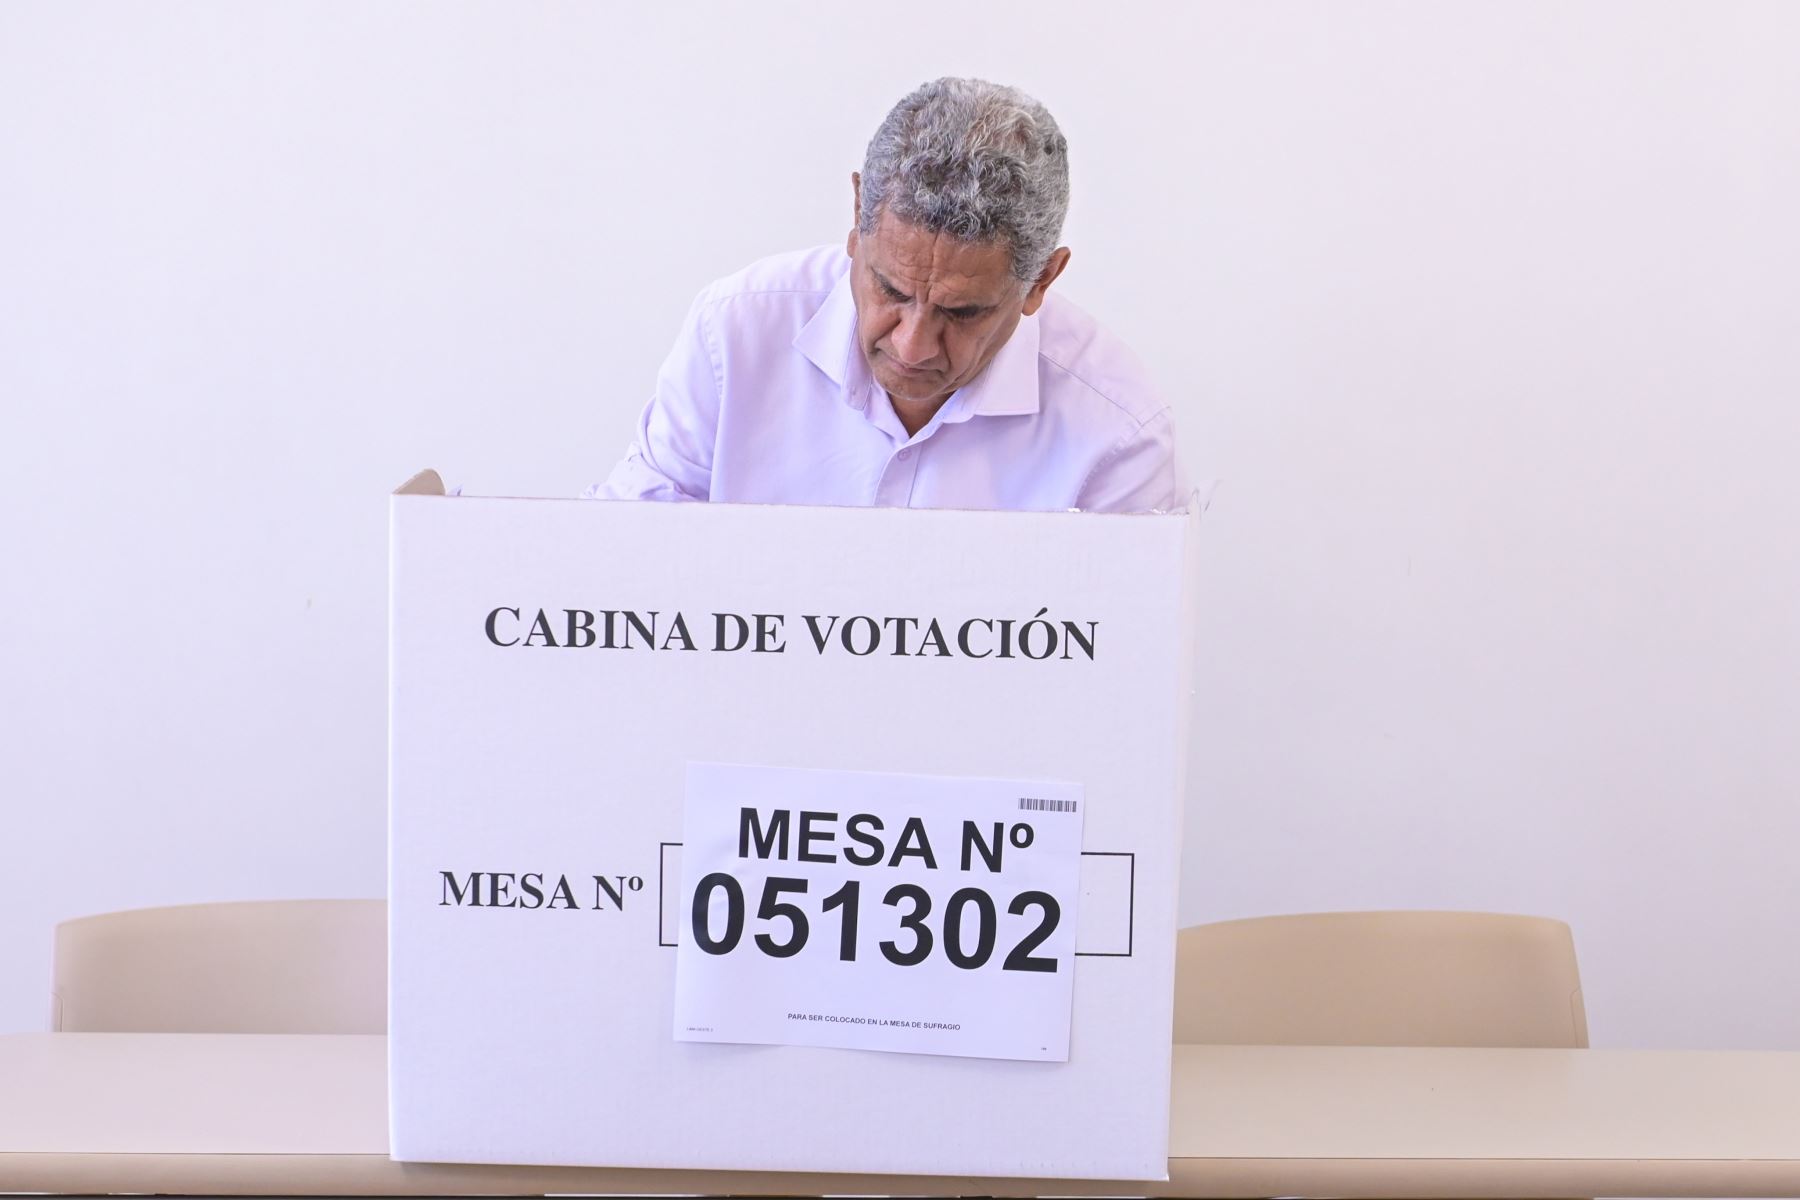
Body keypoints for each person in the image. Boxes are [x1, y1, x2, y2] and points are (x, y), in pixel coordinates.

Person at [585, 77, 1185, 513]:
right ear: (856, 217)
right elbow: (626, 564)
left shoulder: (1119, 432)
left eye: (962, 311)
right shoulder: (733, 332)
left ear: (1041, 283)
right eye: (891, 289)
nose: (913, 344)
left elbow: (1117, 675)